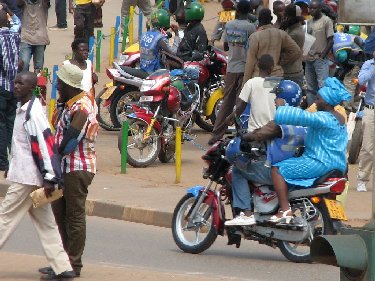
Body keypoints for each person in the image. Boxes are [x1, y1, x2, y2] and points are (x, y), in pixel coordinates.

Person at [1, 71, 75, 279]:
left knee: (5, 218)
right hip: (27, 173)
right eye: (15, 82)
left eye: (21, 84)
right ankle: (62, 267)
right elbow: (21, 145)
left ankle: (62, 266)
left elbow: (45, 144)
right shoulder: (22, 109)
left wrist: (51, 176)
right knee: (47, 223)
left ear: (31, 87)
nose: (16, 86)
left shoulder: (33, 112)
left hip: (28, 177)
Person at [40, 64, 99, 277]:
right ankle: (61, 262)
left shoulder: (82, 107)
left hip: (77, 167)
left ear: (69, 85)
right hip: (64, 167)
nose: (58, 87)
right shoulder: (70, 103)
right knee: (59, 215)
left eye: (60, 84)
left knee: (73, 216)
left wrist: (51, 160)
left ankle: (73, 265)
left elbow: (70, 141)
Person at [269, 77, 351, 223]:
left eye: (318, 99)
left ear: (327, 102)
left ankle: (285, 209)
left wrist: (281, 107)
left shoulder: (323, 118)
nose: (315, 102)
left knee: (277, 170)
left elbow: (302, 117)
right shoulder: (340, 118)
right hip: (339, 165)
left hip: (320, 162)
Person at [225, 80, 302, 226]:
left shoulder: (281, 118)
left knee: (238, 171)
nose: (275, 100)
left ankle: (246, 213)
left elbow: (261, 134)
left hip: (277, 170)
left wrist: (245, 137)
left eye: (277, 96)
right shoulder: (303, 118)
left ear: (285, 99)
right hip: (294, 168)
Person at [208, 0, 256, 145]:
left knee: (226, 102)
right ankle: (240, 133)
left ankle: (216, 135)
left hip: (231, 67)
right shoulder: (251, 27)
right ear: (249, 12)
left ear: (237, 11)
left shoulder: (229, 25)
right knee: (240, 102)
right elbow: (252, 47)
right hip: (245, 68)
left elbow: (226, 45)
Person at [242, 8, 301, 83]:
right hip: (276, 76)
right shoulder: (281, 34)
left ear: (259, 19)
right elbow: (296, 51)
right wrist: (280, 61)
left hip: (259, 77)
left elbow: (250, 63)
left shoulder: (255, 37)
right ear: (271, 19)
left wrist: (245, 84)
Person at [0, 8, 20, 171]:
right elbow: (17, 22)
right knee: (11, 122)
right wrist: (6, 10)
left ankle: (2, 162)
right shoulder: (15, 34)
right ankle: (14, 158)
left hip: (1, 87)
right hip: (14, 87)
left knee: (1, 125)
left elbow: (5, 66)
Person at [304, 0, 334, 106]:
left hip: (320, 59)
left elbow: (330, 40)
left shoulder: (326, 21)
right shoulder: (309, 22)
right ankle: (311, 109)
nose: (311, 10)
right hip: (309, 58)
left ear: (319, 9)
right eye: (310, 8)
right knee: (310, 87)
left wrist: (323, 55)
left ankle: (324, 109)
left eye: (313, 8)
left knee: (322, 86)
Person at [139, 9, 181, 75]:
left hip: (143, 68)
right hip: (153, 72)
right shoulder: (160, 38)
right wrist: (176, 34)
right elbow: (174, 52)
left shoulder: (144, 34)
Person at [356, 50, 375, 192]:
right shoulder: (369, 64)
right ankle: (362, 179)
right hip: (371, 109)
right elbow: (361, 80)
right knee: (367, 148)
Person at [18, 0, 50, 73]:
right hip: (26, 37)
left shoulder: (43, 3)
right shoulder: (24, 2)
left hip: (40, 39)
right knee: (24, 65)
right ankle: (25, 83)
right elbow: (19, 3)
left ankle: (37, 84)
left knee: (39, 68)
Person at [280, 3, 305, 87]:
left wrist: (278, 62)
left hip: (291, 72)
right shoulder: (291, 28)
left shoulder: (295, 33)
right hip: (292, 71)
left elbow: (288, 52)